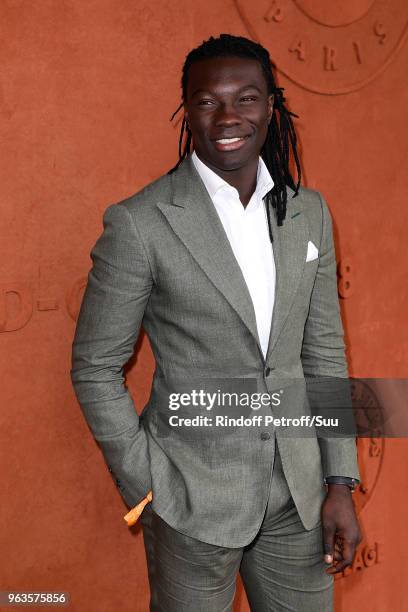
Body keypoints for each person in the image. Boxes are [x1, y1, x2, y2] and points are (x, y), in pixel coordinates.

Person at [70, 33, 361, 611]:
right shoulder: (140, 223)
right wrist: (148, 486)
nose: (227, 116)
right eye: (207, 101)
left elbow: (324, 353)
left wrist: (339, 482)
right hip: (189, 498)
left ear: (270, 106)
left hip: (299, 499)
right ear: (188, 110)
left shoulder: (309, 213)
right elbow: (95, 365)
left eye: (245, 98)